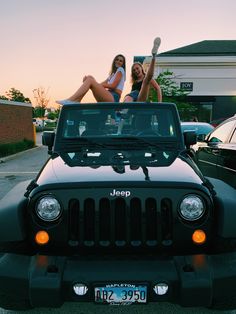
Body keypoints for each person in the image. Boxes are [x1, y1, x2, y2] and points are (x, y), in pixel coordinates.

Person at [57, 54, 126, 105]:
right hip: (109, 95)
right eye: (117, 60)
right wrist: (89, 82)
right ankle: (77, 101)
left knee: (90, 80)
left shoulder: (121, 69)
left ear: (123, 64)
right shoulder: (112, 74)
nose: (118, 61)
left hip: (114, 97)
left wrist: (92, 83)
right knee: (90, 77)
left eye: (121, 61)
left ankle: (70, 100)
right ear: (114, 61)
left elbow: (113, 86)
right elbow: (101, 84)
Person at [124, 37, 162, 102]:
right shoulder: (135, 82)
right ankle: (124, 110)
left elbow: (158, 89)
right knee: (128, 97)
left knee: (146, 80)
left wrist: (159, 102)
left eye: (137, 68)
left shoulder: (146, 79)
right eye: (134, 70)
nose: (136, 71)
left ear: (141, 68)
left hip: (142, 97)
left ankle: (153, 57)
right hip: (135, 101)